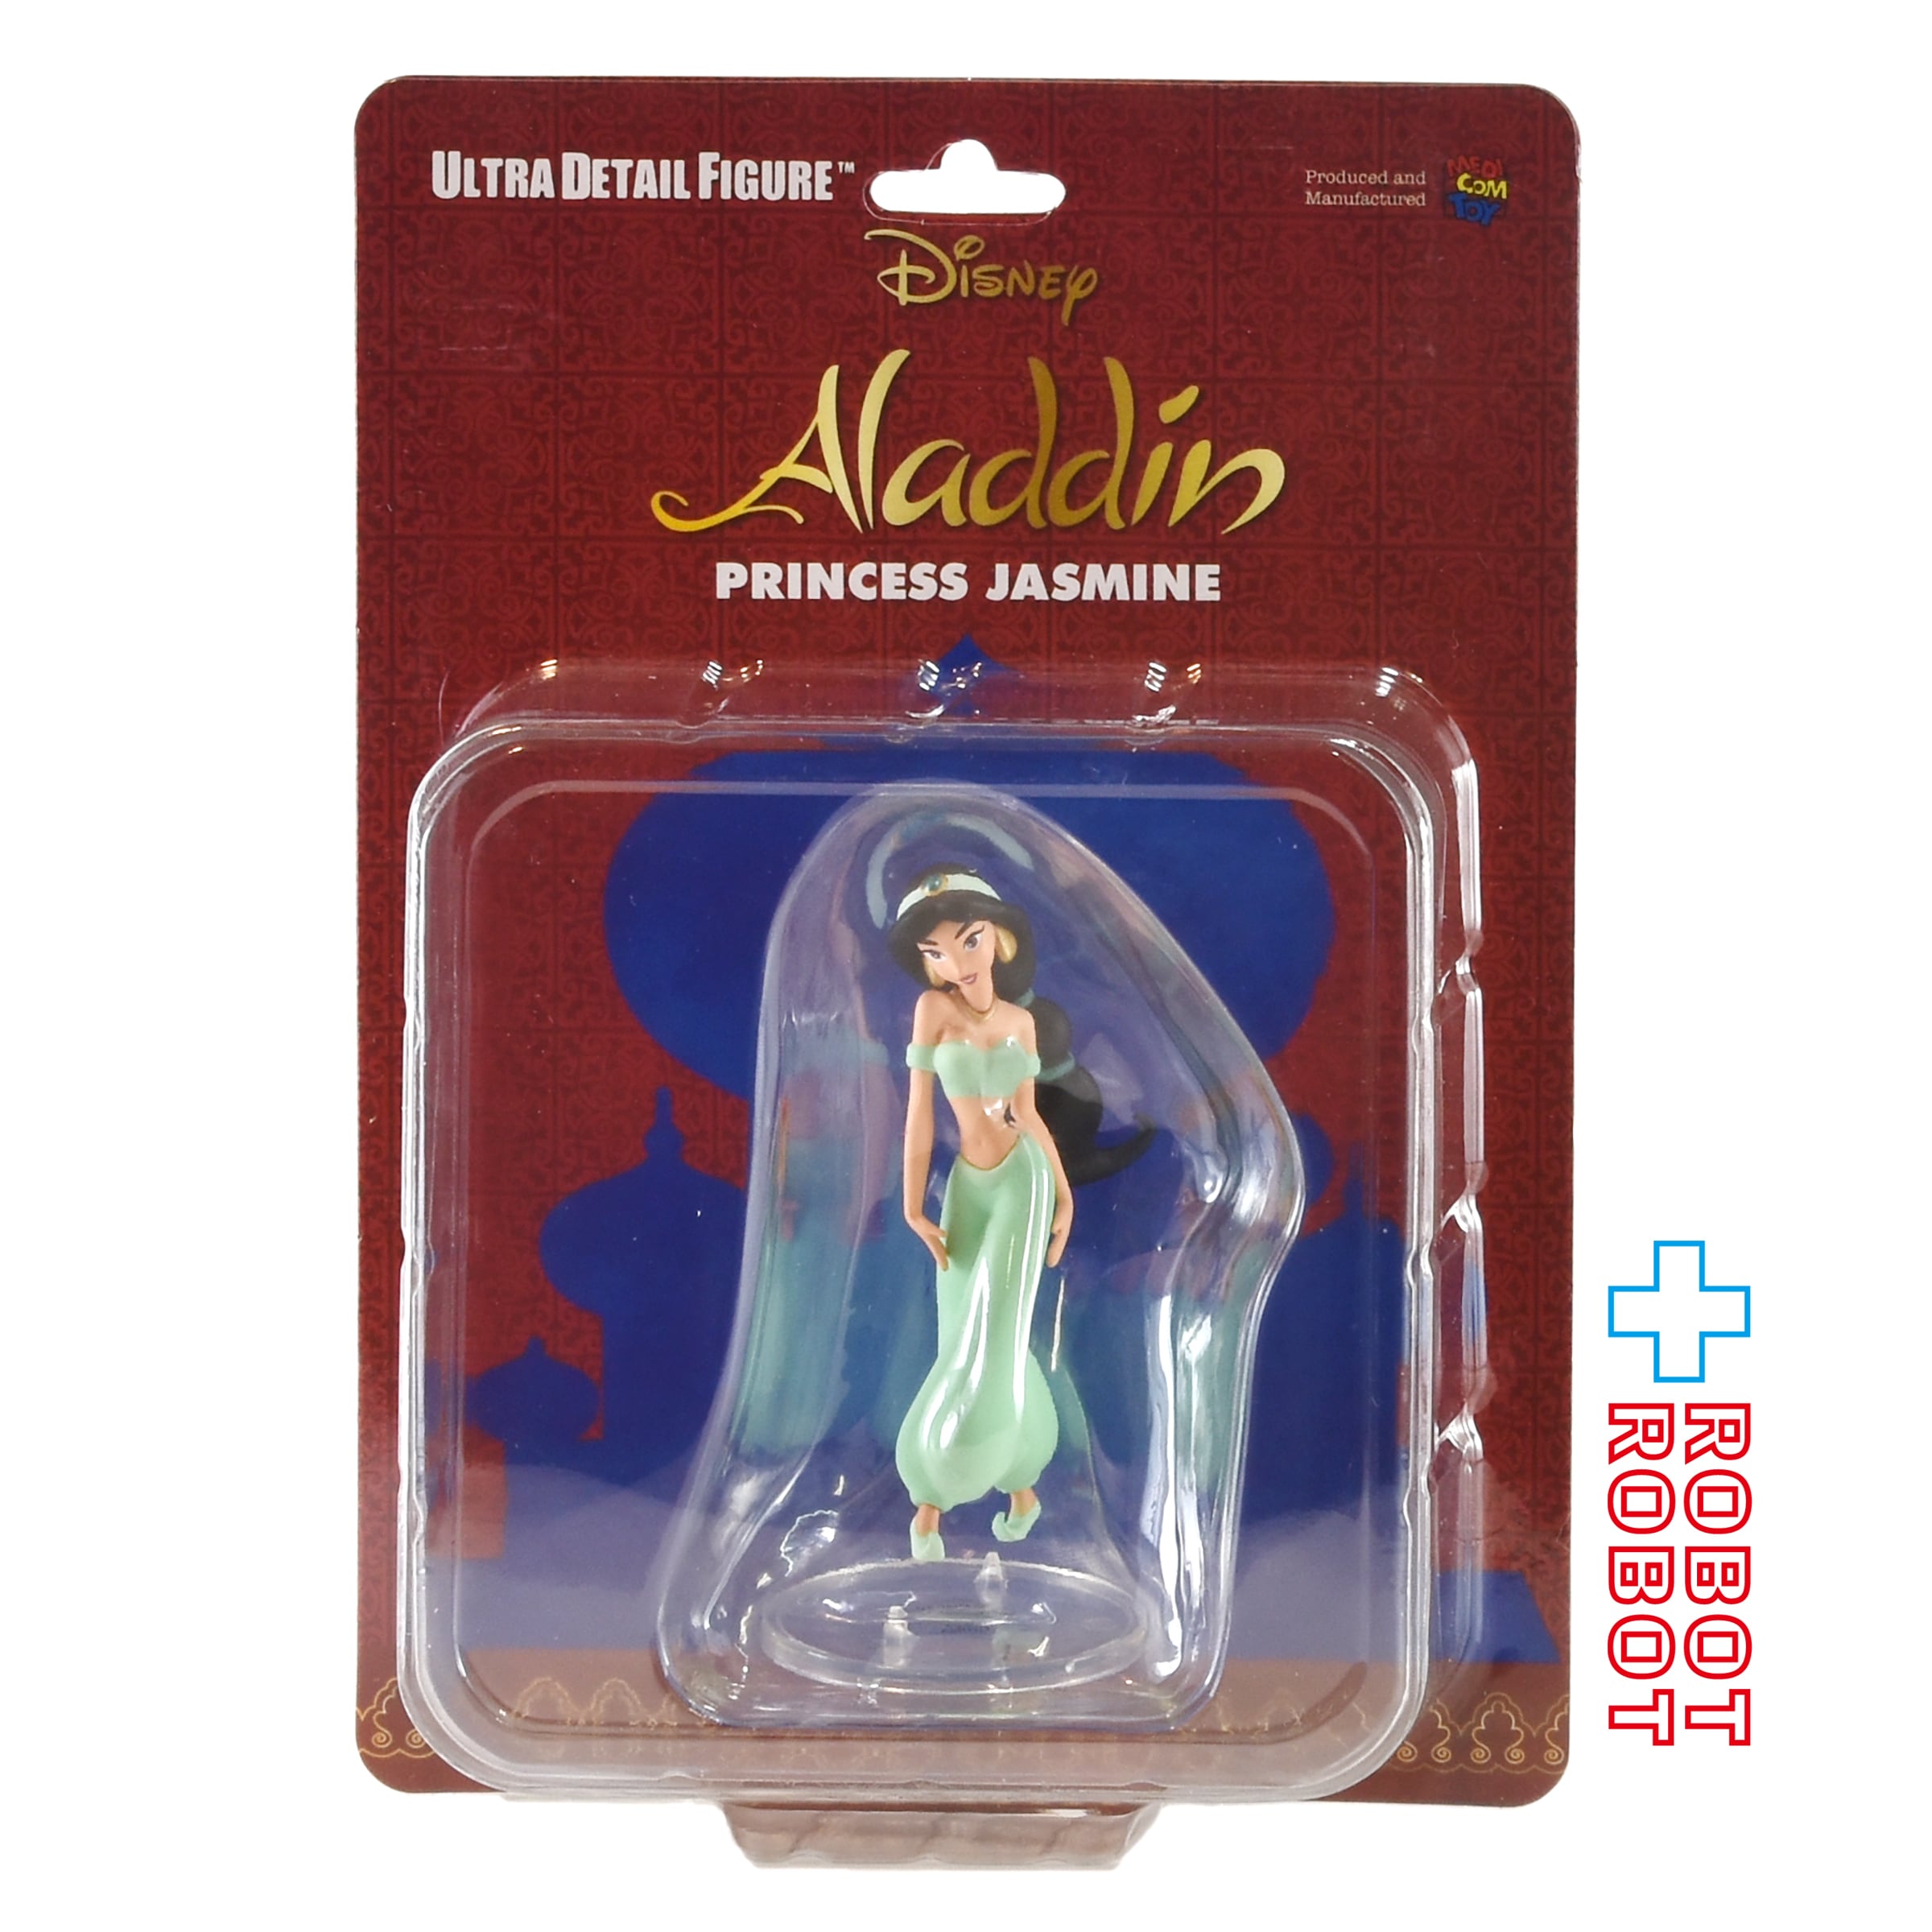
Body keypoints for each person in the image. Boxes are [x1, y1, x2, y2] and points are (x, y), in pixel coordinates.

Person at [887, 865, 1113, 1563]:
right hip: (967, 1186)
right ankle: (1021, 1486)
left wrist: (1063, 1192)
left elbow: (1029, 1116)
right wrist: (912, 1203)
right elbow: (919, 1116)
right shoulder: (934, 1012)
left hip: (1023, 1182)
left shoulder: (1020, 1023)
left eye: (969, 939)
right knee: (961, 1325)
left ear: (1000, 940)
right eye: (935, 951)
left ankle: (933, 1494)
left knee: (995, 1326)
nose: (955, 961)